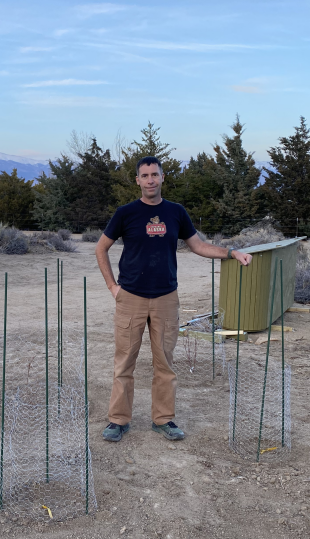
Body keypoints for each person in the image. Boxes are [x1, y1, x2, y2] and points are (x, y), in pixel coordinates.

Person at [95, 155, 252, 442]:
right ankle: (118, 421)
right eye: (145, 176)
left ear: (163, 177)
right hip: (130, 297)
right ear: (138, 180)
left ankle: (163, 419)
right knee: (124, 363)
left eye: (155, 174)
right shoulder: (125, 213)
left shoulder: (176, 212)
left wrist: (232, 253)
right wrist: (112, 287)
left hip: (166, 298)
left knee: (164, 363)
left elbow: (199, 246)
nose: (150, 180)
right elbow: (101, 248)